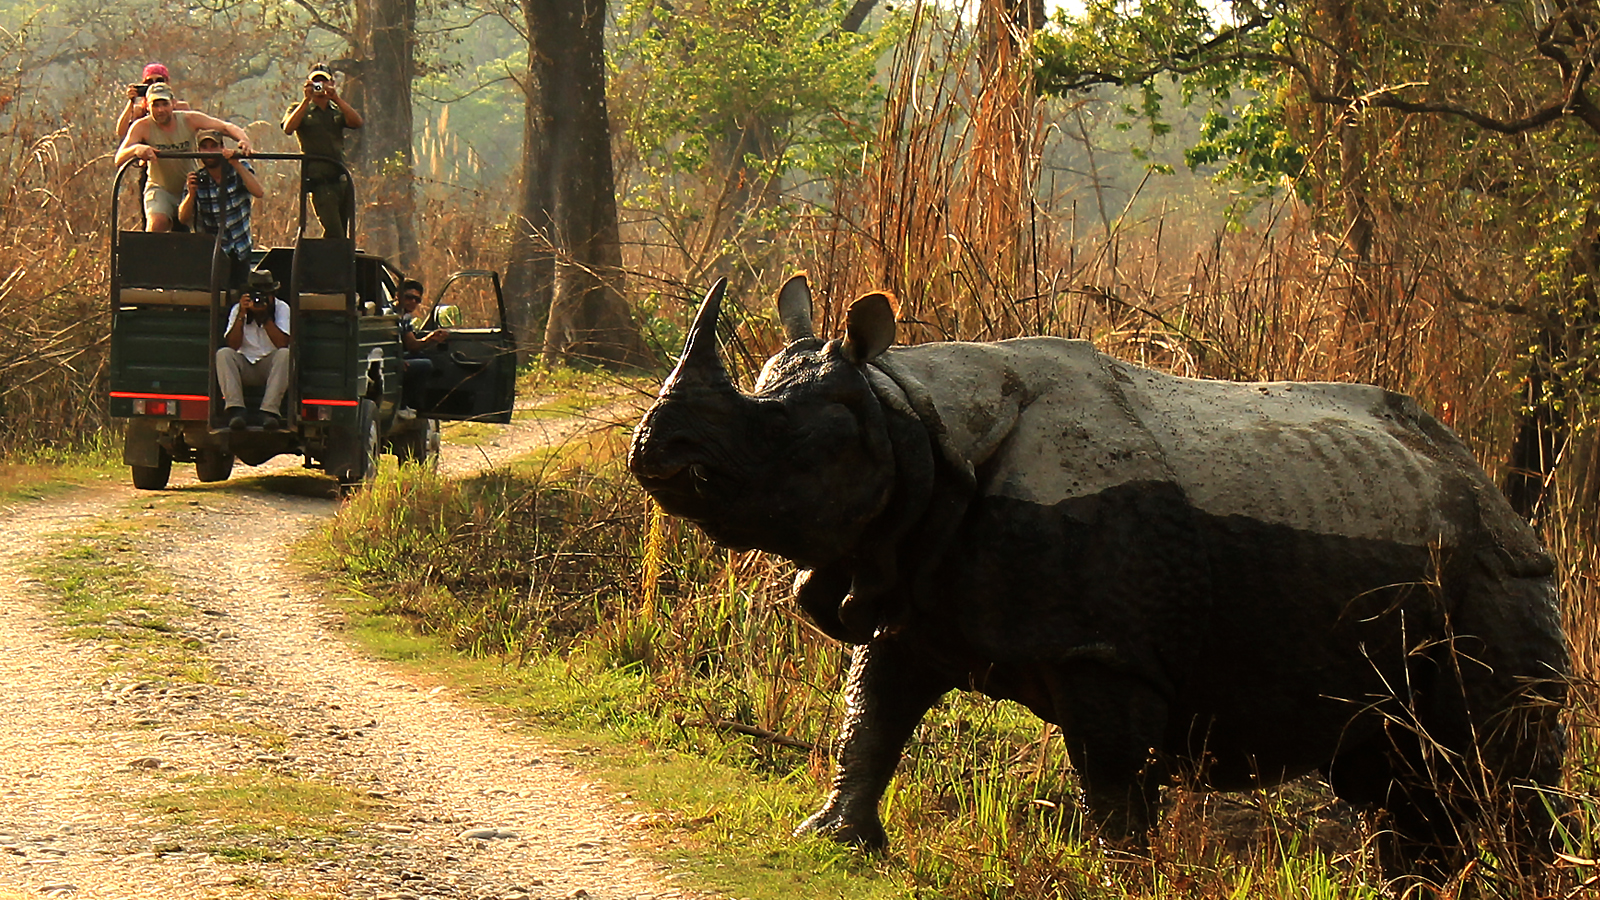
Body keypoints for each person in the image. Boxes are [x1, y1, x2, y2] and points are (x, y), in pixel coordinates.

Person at [115, 84, 253, 233]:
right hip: (161, 188)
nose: (160, 110)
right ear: (148, 106)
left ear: (173, 103)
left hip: (190, 186)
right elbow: (119, 158)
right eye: (155, 105)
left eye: (165, 104)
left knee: (205, 229)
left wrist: (244, 140)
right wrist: (137, 149)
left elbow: (225, 127)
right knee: (156, 224)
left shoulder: (188, 119)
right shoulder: (141, 126)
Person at [281, 64, 364, 238]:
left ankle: (332, 254)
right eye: (316, 82)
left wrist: (336, 98)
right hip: (321, 181)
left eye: (324, 82)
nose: (320, 86)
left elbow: (357, 122)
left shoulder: (337, 109)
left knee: (343, 234)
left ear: (332, 83)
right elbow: (288, 128)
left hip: (341, 178)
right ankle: (328, 254)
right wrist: (306, 100)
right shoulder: (299, 109)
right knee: (335, 232)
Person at [179, 130, 265, 289]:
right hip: (213, 252)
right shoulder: (197, 178)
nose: (210, 152)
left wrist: (236, 163)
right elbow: (183, 218)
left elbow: (259, 192)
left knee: (241, 292)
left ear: (222, 148)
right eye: (205, 147)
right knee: (216, 294)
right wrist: (191, 195)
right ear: (199, 151)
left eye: (214, 146)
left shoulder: (238, 169)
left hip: (240, 246)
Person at [217, 271, 291, 431]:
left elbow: (282, 343)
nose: (260, 300)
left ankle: (269, 412)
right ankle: (236, 410)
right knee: (223, 354)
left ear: (272, 295)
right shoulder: (238, 309)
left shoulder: (282, 308)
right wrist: (242, 315)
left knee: (285, 355)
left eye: (265, 295)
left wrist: (265, 317)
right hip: (245, 365)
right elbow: (232, 345)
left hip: (270, 367)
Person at [396, 279, 449, 419]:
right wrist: (396, 360)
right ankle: (401, 406)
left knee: (420, 356)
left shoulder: (405, 317)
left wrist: (431, 339)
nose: (413, 302)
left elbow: (412, 345)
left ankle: (414, 406)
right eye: (409, 297)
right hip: (386, 359)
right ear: (398, 295)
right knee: (425, 365)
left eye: (417, 300)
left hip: (396, 357)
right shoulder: (388, 314)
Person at [115, 62, 189, 141]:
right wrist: (131, 102)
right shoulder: (139, 111)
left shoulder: (180, 107)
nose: (154, 85)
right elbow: (121, 132)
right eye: (149, 82)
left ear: (167, 83)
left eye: (159, 81)